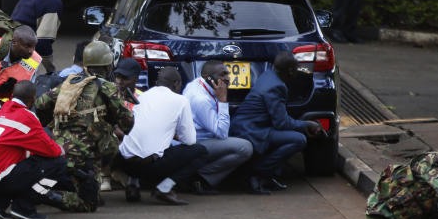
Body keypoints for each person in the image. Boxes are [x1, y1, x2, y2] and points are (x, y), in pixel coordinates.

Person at [35, 41, 134, 212]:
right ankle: (45, 196)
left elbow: (41, 103)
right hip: (86, 156)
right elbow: (128, 124)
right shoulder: (106, 88)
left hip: (59, 150)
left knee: (77, 182)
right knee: (89, 203)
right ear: (107, 65)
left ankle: (47, 189)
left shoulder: (69, 82)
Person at [229, 51, 322, 195]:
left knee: (291, 135)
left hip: (250, 126)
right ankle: (259, 173)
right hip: (251, 131)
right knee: (299, 139)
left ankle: (267, 175)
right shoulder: (276, 87)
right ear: (291, 71)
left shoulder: (268, 75)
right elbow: (281, 123)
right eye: (296, 68)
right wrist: (306, 125)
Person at [0, 81, 65, 219]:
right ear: (32, 100)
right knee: (58, 163)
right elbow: (51, 151)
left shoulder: (0, 112)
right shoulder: (27, 116)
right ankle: (24, 207)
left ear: (12, 95)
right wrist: (62, 149)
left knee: (25, 158)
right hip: (0, 175)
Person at [115, 67, 210, 205]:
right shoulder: (181, 100)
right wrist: (173, 133)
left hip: (125, 163)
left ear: (156, 82)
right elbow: (189, 140)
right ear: (177, 84)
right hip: (151, 168)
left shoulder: (143, 96)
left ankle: (132, 185)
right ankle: (164, 188)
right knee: (201, 152)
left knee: (141, 143)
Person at [182, 61, 253, 194]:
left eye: (227, 73)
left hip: (202, 138)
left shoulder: (198, 83)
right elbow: (222, 133)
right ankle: (200, 178)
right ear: (207, 76)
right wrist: (223, 100)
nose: (227, 78)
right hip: (196, 144)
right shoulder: (201, 99)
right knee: (245, 147)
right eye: (223, 74)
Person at [8, 0, 70, 74]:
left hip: (10, 41)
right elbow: (43, 42)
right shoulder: (53, 2)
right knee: (24, 83)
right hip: (22, 49)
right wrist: (51, 71)